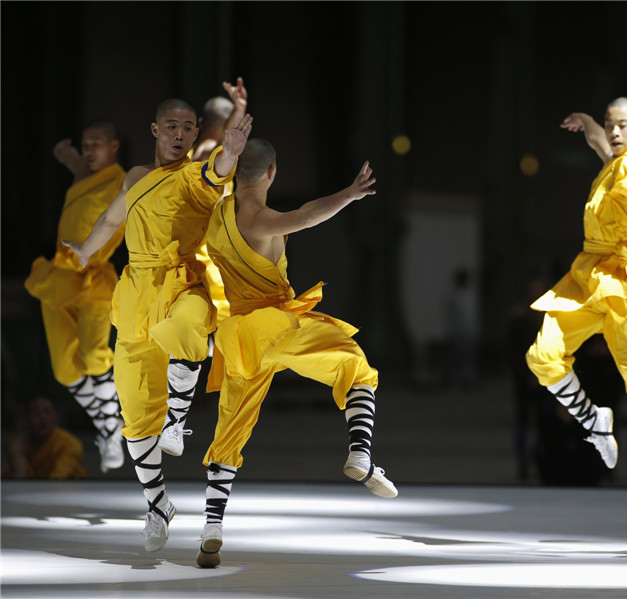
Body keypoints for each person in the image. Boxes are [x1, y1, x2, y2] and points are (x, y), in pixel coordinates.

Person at [62, 99, 253, 552]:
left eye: (187, 127)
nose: (179, 134)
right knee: (133, 414)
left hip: (182, 280)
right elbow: (112, 218)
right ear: (155, 130)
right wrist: (87, 250)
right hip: (135, 292)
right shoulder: (135, 177)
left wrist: (229, 152)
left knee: (188, 326)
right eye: (172, 126)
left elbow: (216, 172)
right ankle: (157, 506)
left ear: (195, 133)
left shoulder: (194, 173)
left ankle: (177, 420)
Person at [195, 139, 393, 568]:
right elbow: (306, 215)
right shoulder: (260, 219)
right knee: (357, 367)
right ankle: (360, 452)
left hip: (237, 337)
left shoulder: (217, 214)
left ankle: (212, 526)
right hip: (274, 326)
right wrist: (349, 194)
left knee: (230, 428)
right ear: (271, 172)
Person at [525, 99, 627, 500]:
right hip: (588, 274)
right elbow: (600, 142)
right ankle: (594, 421)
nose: (614, 132)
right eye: (609, 124)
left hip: (624, 277)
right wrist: (586, 122)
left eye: (622, 125)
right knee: (543, 356)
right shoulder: (614, 160)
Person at [25, 122, 126, 473]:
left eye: (96, 144)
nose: (89, 150)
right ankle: (108, 423)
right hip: (60, 277)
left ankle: (110, 430)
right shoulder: (84, 171)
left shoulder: (124, 181)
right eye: (85, 145)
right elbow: (75, 162)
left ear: (114, 146)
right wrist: (64, 152)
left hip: (94, 278)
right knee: (65, 370)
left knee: (95, 356)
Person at [158, 77, 250, 458]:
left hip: (206, 255)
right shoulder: (207, 154)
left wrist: (238, 110)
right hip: (210, 256)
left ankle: (179, 415)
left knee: (199, 336)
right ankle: (180, 416)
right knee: (200, 336)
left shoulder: (204, 153)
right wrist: (239, 110)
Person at [4, 396, 86, 480]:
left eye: (47, 411)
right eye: (36, 412)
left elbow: (58, 478)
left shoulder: (70, 444)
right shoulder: (19, 446)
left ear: (56, 417)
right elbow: (18, 479)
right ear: (26, 419)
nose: (42, 417)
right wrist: (18, 459)